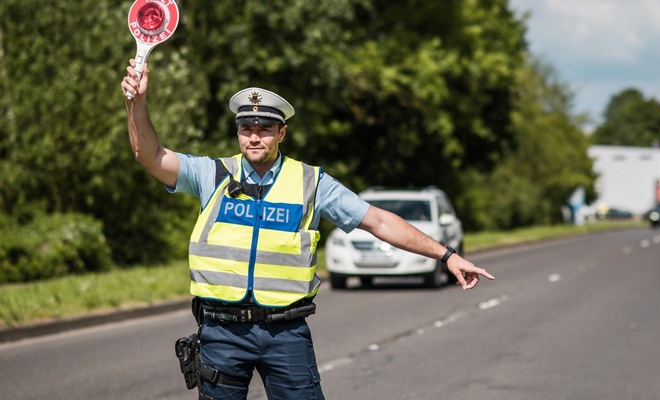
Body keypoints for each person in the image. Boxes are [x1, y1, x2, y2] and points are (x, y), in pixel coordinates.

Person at [120, 59, 495, 400]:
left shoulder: (312, 182)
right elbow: (148, 155)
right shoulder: (211, 174)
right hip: (222, 332)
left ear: (281, 133)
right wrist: (137, 103)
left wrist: (446, 255)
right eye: (245, 128)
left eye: (264, 129)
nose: (254, 137)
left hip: (285, 334)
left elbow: (378, 221)